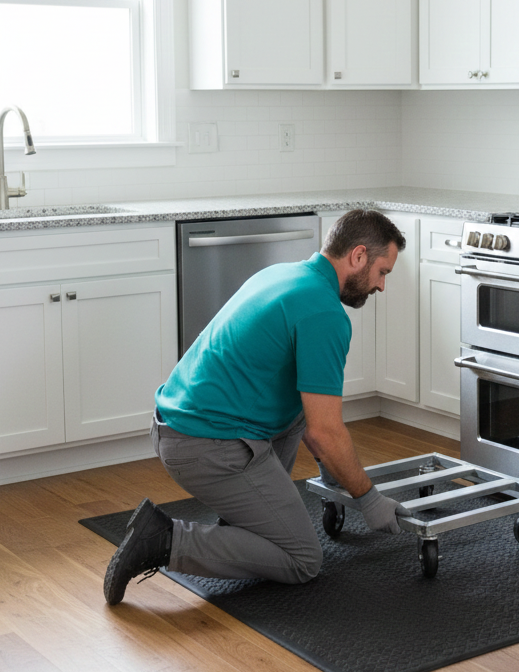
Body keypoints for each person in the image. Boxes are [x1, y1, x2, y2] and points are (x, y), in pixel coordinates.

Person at [104, 208, 409, 605]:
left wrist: (335, 476)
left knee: (305, 404)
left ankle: (241, 523)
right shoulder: (324, 313)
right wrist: (368, 499)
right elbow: (324, 432)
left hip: (177, 425)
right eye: (382, 272)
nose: (381, 286)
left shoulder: (283, 274)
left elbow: (312, 419)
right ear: (357, 256)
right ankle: (162, 539)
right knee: (302, 559)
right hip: (204, 445)